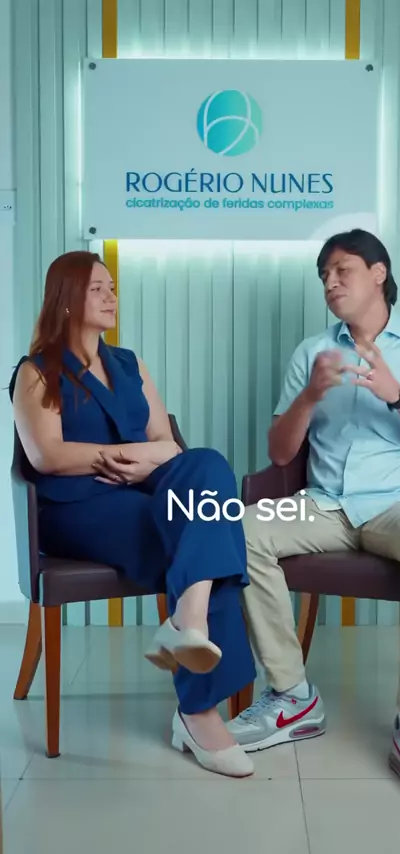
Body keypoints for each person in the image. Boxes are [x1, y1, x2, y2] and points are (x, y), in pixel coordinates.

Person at [228, 229, 400, 813]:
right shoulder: (312, 352)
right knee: (240, 527)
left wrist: (399, 395)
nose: (330, 283)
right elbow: (281, 454)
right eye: (324, 276)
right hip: (326, 504)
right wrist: (310, 396)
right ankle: (292, 696)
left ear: (378, 273)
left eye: (342, 270)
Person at [10, 250, 256, 779]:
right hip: (76, 507)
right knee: (208, 537)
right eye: (96, 288)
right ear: (66, 300)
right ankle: (198, 712)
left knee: (209, 466)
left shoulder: (130, 364)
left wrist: (147, 462)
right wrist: (125, 456)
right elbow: (46, 456)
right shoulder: (36, 372)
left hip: (143, 490)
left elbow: (169, 444)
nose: (111, 296)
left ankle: (189, 620)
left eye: (112, 287)